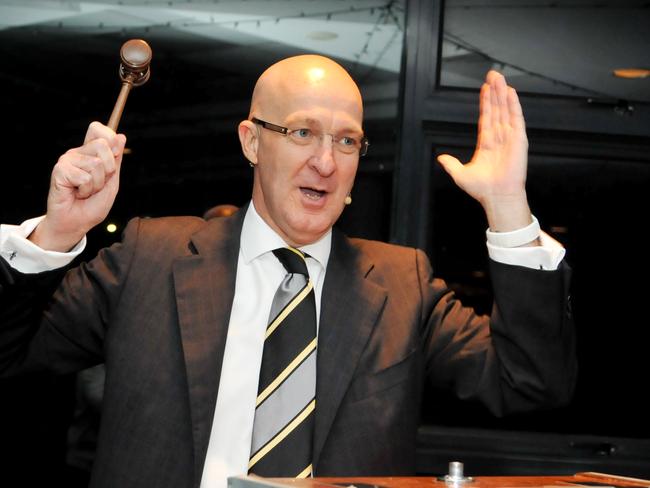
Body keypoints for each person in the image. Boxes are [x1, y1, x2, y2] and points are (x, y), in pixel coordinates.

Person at [0, 54, 575, 488]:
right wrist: (56, 233)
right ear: (251, 142)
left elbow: (529, 383)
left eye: (346, 141)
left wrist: (507, 209)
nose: (325, 162)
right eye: (302, 132)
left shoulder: (404, 285)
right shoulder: (150, 257)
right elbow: (11, 355)